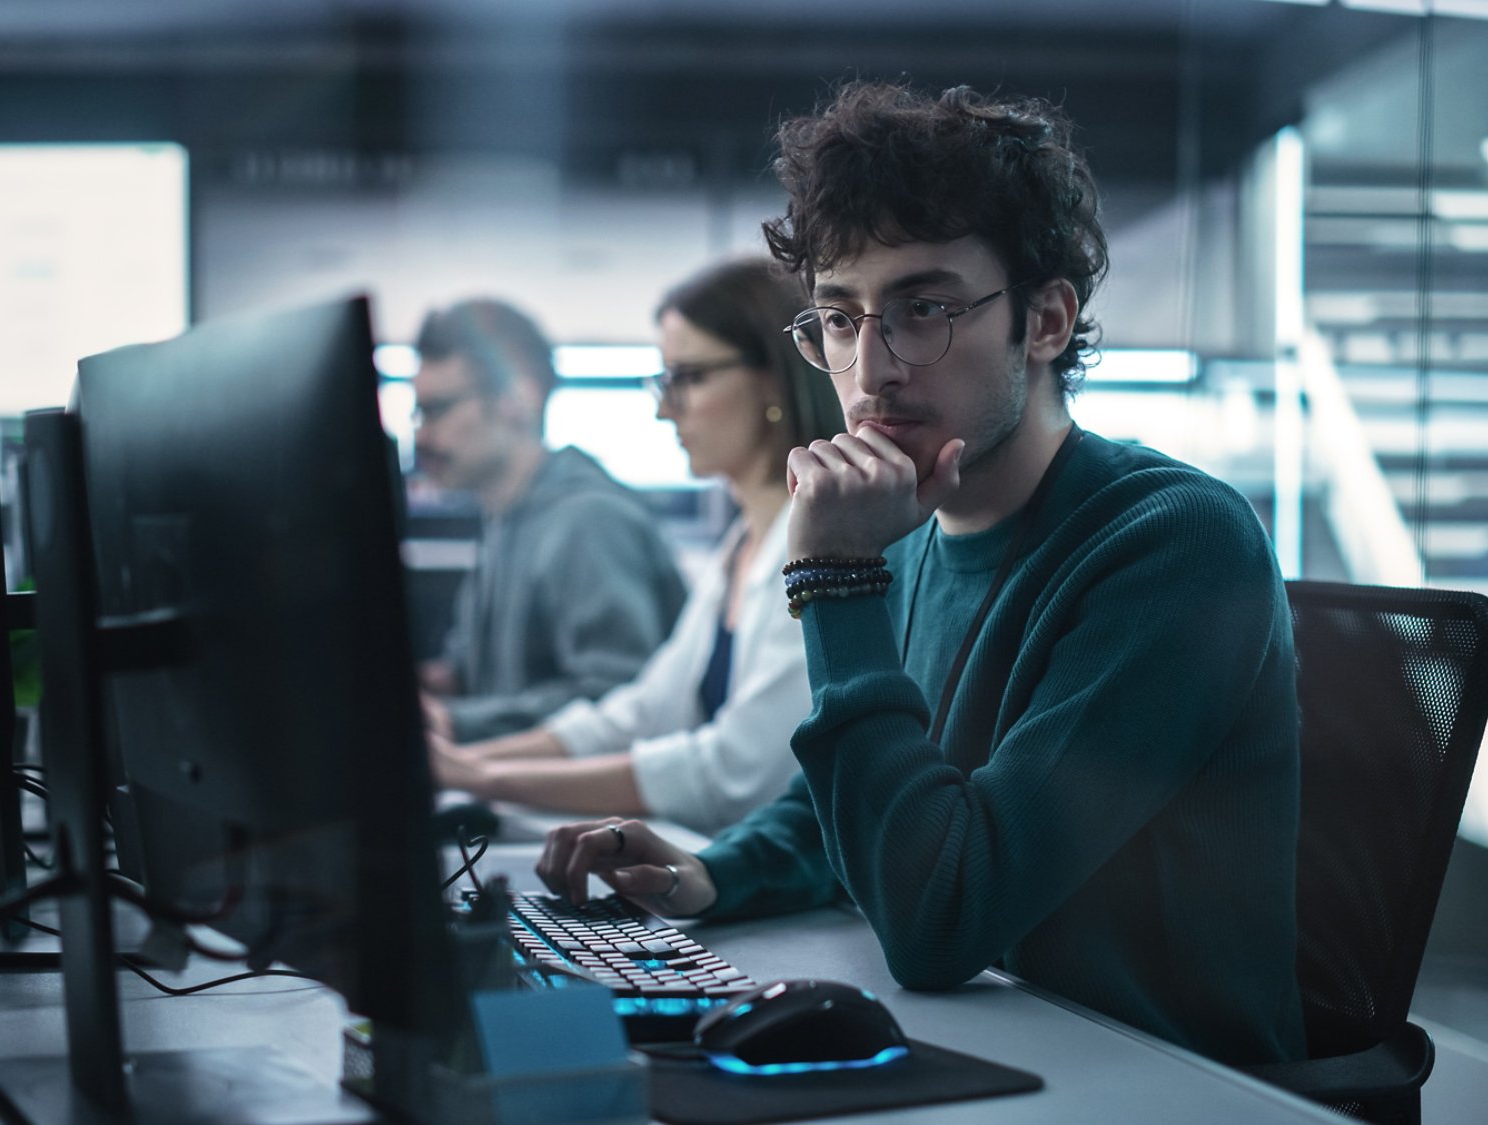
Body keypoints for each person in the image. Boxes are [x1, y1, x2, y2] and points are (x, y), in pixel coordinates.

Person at [533, 82, 1307, 1067]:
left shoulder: (1172, 544)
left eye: (923, 308)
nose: (869, 369)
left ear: (1045, 321)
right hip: (1007, 1044)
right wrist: (707, 876)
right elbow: (853, 819)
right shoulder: (906, 532)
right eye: (840, 319)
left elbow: (938, 918)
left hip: (1158, 1078)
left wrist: (836, 579)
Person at [429, 259, 846, 834]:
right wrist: (468, 765)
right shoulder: (740, 547)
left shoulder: (819, 545)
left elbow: (733, 773)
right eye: (664, 381)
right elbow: (640, 712)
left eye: (689, 378)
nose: (662, 408)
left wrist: (480, 776)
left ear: (772, 377)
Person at [413, 298, 687, 742]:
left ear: (517, 400)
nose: (421, 436)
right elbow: (467, 674)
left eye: (437, 409)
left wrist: (457, 723)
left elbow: (617, 701)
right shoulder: (504, 516)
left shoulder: (587, 521)